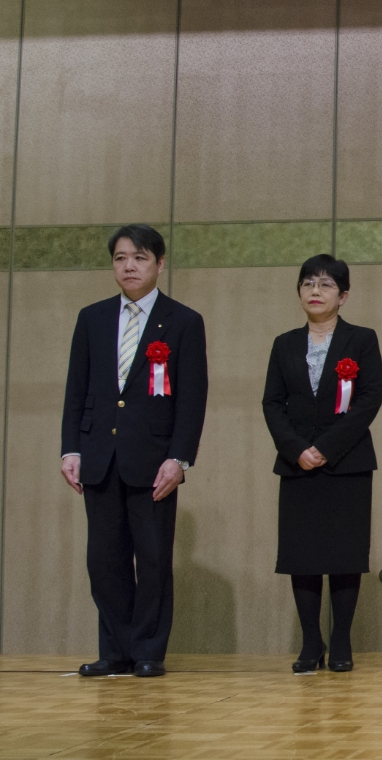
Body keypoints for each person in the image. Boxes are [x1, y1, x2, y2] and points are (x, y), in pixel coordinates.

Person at [60, 224, 209, 678]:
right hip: (99, 456)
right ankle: (116, 650)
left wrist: (179, 459)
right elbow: (76, 389)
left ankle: (148, 651)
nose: (129, 265)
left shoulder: (183, 321)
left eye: (140, 257)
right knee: (103, 561)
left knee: (153, 560)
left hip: (154, 462)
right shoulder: (93, 317)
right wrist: (71, 448)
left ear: (159, 264)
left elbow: (192, 397)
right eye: (121, 258)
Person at [262, 255, 382, 673]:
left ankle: (342, 639)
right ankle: (311, 641)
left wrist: (327, 448)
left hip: (346, 464)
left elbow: (369, 399)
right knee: (303, 555)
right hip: (297, 465)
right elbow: (272, 403)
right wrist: (297, 449)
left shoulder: (362, 339)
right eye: (308, 284)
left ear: (344, 295)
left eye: (326, 285)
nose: (315, 291)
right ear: (299, 292)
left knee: (344, 555)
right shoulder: (283, 344)